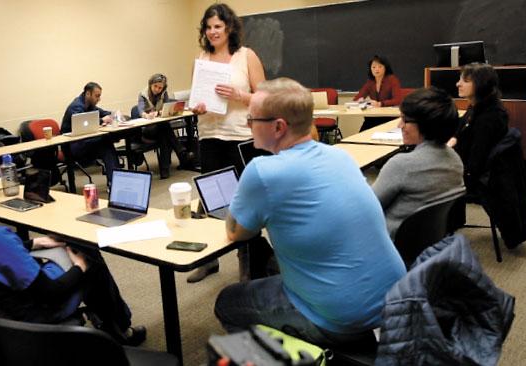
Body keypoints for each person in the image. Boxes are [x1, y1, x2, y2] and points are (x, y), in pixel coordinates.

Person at [214, 78, 406, 346]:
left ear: (278, 127)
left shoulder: (262, 171)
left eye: (252, 119)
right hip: (398, 300)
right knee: (271, 263)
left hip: (345, 321)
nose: (249, 125)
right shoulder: (339, 156)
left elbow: (236, 232)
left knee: (227, 302)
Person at [0, 161, 146, 345]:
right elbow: (51, 292)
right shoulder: (0, 241)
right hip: (31, 314)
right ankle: (119, 329)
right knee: (89, 256)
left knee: (63, 248)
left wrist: (33, 243)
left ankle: (109, 322)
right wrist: (81, 266)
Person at [187, 3, 266, 283]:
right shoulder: (202, 58)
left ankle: (248, 261)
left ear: (229, 27)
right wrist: (195, 106)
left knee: (243, 204)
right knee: (212, 202)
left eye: (217, 26)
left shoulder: (246, 56)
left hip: (240, 137)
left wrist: (239, 95)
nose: (212, 32)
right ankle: (209, 260)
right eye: (208, 27)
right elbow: (198, 96)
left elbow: (265, 97)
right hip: (209, 135)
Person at [371, 87, 465, 237]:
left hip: (390, 243)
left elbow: (369, 207)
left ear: (426, 125)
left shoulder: (402, 165)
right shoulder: (455, 159)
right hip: (428, 242)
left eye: (405, 120)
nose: (399, 125)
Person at [449, 63, 508, 197]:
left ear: (481, 84)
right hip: (462, 166)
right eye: (460, 79)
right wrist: (452, 140)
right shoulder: (475, 106)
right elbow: (459, 132)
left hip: (472, 178)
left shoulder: (490, 116)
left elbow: (476, 159)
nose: (458, 84)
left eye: (465, 80)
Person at [135, 73, 196, 179]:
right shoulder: (143, 94)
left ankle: (165, 171)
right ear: (150, 84)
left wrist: (162, 112)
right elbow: (140, 110)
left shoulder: (164, 93)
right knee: (164, 127)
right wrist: (147, 115)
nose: (157, 89)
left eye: (160, 87)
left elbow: (167, 106)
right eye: (155, 86)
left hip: (159, 128)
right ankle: (181, 153)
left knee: (163, 133)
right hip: (147, 129)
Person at [61, 82, 119, 187]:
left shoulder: (90, 105)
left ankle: (115, 180)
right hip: (72, 146)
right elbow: (85, 123)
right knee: (105, 143)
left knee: (106, 142)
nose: (99, 99)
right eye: (97, 96)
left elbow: (103, 112)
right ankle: (114, 181)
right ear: (88, 94)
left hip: (84, 142)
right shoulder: (76, 107)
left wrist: (114, 115)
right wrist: (102, 120)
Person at [354, 55, 403, 131]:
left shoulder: (392, 80)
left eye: (380, 66)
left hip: (389, 117)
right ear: (370, 69)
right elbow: (357, 98)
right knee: (360, 136)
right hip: (373, 117)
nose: (376, 69)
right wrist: (361, 101)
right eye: (373, 67)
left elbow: (397, 100)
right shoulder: (370, 82)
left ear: (385, 68)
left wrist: (380, 104)